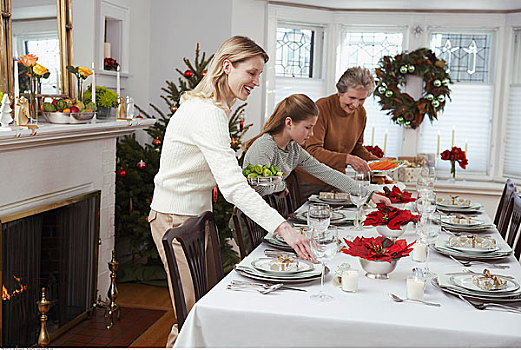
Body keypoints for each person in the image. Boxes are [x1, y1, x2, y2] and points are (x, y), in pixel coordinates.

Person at [148, 36, 311, 347]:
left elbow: (216, 168)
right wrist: (284, 228)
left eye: (259, 74)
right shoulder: (207, 113)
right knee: (195, 317)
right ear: (226, 66)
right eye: (251, 73)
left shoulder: (213, 109)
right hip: (176, 217)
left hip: (193, 214)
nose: (256, 82)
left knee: (205, 308)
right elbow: (231, 188)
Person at [243, 93, 391, 207]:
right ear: (289, 122)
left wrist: (369, 194)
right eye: (308, 127)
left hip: (272, 217)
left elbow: (327, 173)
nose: (312, 134)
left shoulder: (293, 148)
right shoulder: (265, 146)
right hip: (254, 223)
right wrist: (281, 185)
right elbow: (259, 187)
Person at [295, 67, 380, 201]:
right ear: (340, 92)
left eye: (362, 99)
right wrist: (347, 159)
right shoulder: (321, 108)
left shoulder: (361, 113)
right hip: (311, 181)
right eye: (351, 97)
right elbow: (313, 151)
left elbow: (357, 148)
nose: (356, 104)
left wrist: (380, 163)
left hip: (338, 180)